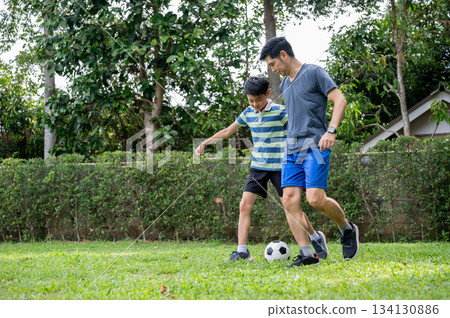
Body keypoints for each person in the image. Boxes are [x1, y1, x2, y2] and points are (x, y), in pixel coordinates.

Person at [195, 76, 328, 262]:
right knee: (244, 205)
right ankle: (243, 252)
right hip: (258, 167)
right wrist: (205, 143)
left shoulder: (280, 112)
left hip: (281, 167)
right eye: (251, 100)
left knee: (291, 208)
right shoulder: (247, 113)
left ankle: (315, 237)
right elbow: (227, 131)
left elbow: (299, 129)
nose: (255, 104)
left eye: (258, 100)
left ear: (267, 94)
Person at [260, 37, 359, 267]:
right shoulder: (285, 85)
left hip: (315, 145)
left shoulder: (314, 72)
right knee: (289, 201)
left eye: (273, 64)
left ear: (284, 55)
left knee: (315, 199)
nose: (274, 70)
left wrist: (331, 131)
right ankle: (308, 254)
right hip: (292, 149)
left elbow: (339, 100)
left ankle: (347, 228)